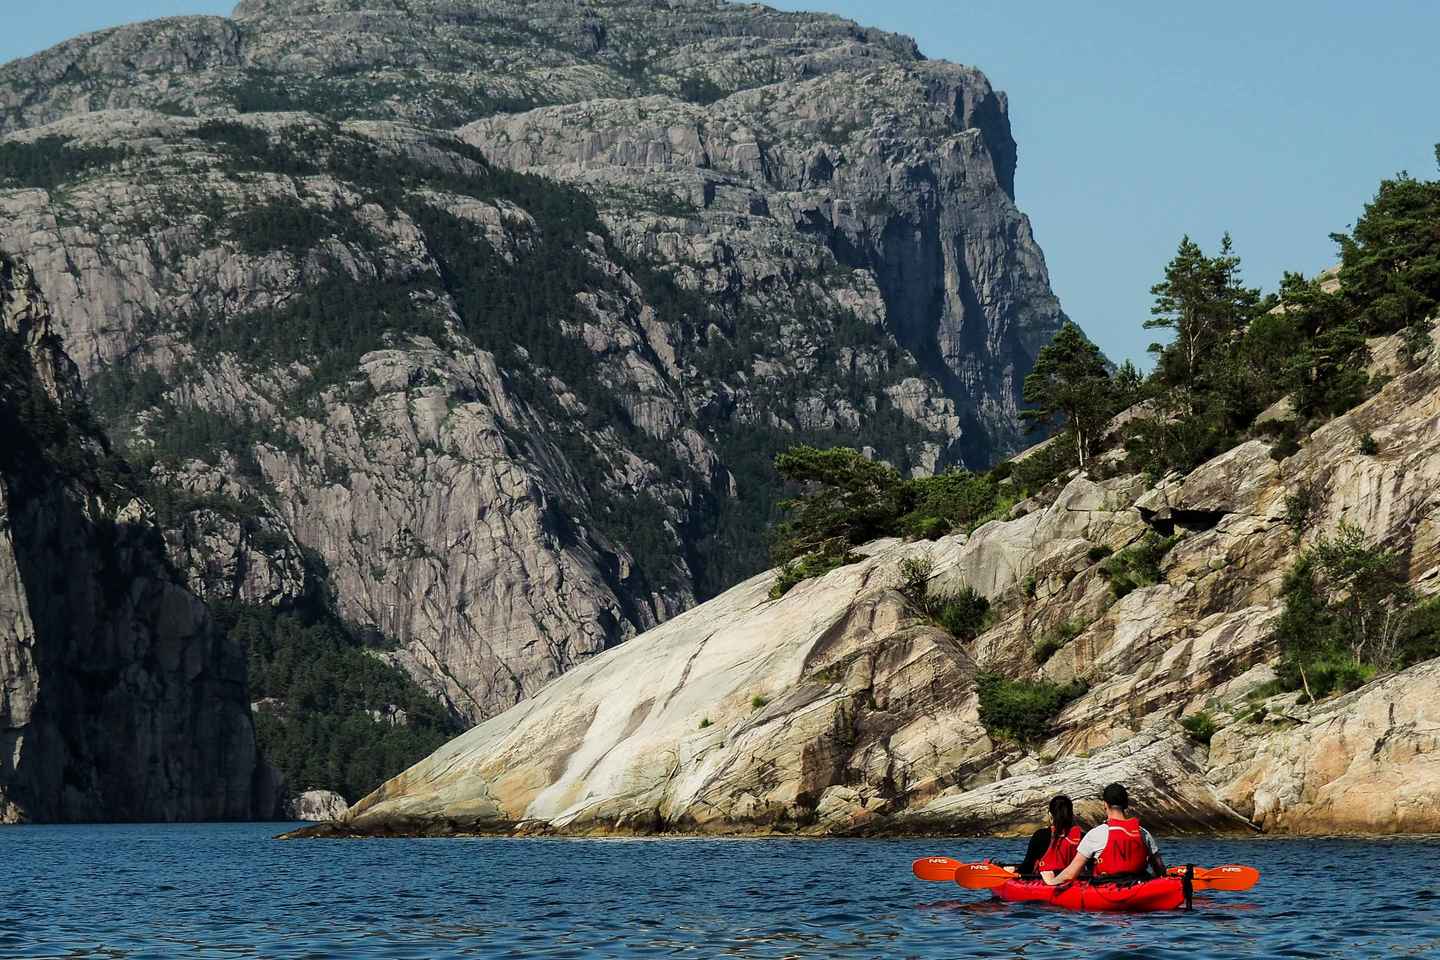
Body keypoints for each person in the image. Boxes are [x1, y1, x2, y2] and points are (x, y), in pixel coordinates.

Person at [1044, 782, 1166, 886]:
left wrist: (1051, 882)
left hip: (1106, 891)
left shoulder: (1095, 835)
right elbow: (1160, 868)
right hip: (1139, 885)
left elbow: (1070, 874)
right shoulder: (1144, 833)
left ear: (1105, 805)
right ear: (1126, 805)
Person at [1007, 794, 1084, 881]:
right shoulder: (1083, 836)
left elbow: (1027, 867)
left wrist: (1013, 871)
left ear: (1050, 815)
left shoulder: (1040, 835)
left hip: (1045, 881)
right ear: (1071, 815)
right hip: (1077, 882)